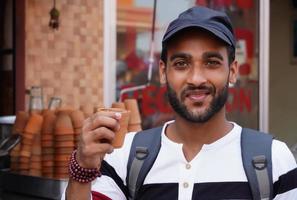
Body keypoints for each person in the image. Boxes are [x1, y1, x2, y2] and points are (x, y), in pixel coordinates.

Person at [63, 6, 297, 200]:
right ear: (164, 72)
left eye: (212, 62)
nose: (196, 78)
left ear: (233, 71)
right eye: (181, 64)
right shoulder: (123, 157)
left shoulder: (273, 160)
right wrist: (83, 166)